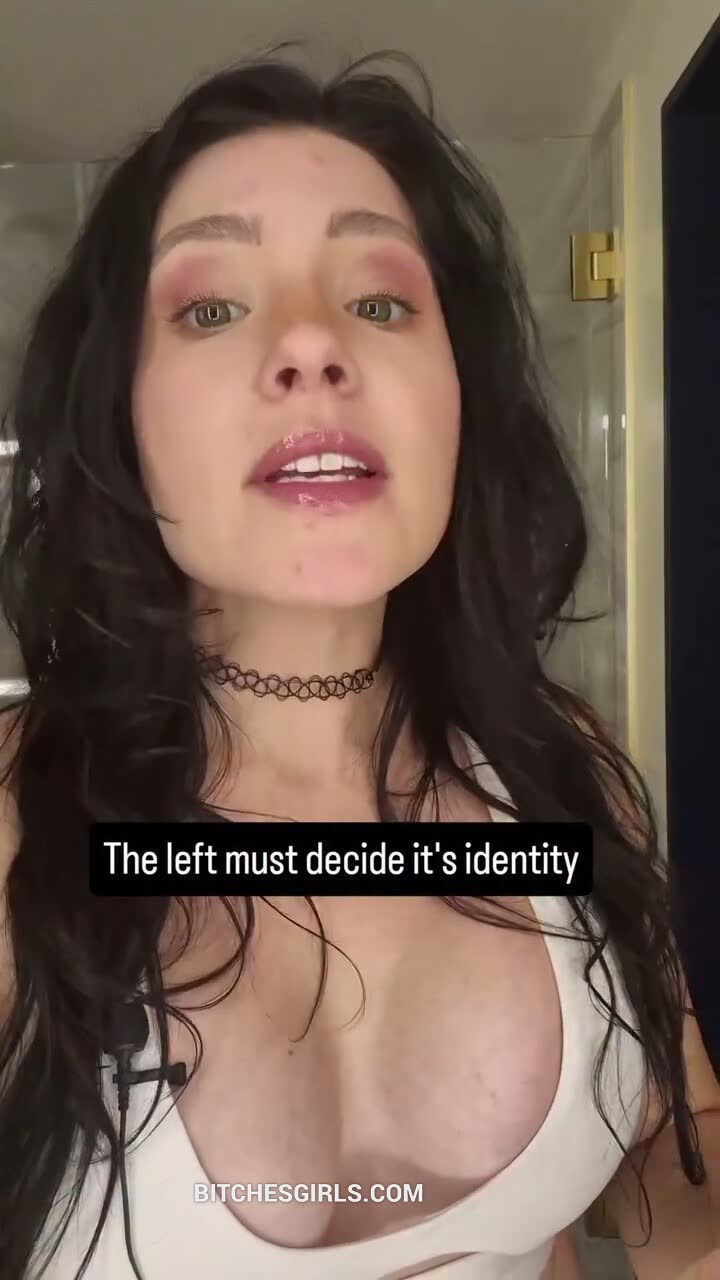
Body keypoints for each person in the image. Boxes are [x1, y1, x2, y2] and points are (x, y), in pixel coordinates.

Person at [0, 43, 717, 1280]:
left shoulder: (559, 771)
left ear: (458, 397)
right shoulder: (17, 825)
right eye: (210, 308)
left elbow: (674, 1133)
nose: (311, 344)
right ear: (118, 415)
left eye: (380, 302)